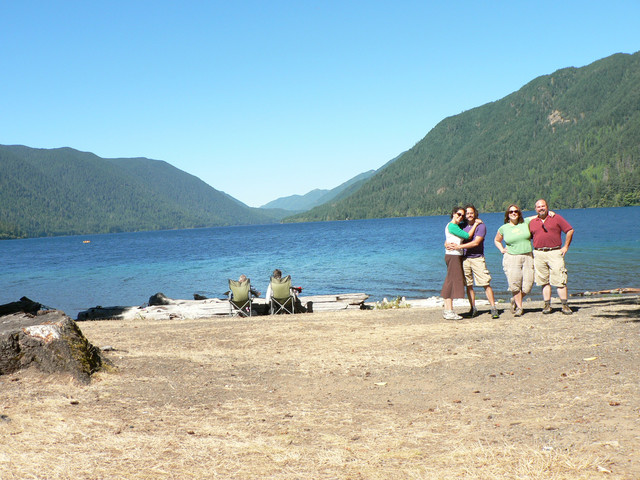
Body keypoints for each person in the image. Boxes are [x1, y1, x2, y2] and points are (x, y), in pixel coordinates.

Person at [447, 204, 499, 319]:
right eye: (467, 213)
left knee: (485, 283)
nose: (469, 215)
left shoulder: (481, 226)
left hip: (477, 258)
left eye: (471, 213)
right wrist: (446, 243)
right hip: (464, 259)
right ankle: (473, 308)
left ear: (475, 213)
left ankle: (493, 307)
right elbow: (452, 236)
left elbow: (476, 242)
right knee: (469, 285)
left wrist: (459, 247)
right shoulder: (462, 225)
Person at [528, 199, 574, 315]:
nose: (541, 208)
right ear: (535, 209)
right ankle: (547, 305)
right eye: (538, 207)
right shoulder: (532, 221)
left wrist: (565, 247)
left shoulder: (556, 218)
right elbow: (520, 222)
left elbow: (569, 230)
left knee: (560, 280)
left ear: (547, 207)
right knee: (543, 281)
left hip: (555, 252)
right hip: (538, 253)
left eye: (543, 206)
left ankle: (565, 305)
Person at [441, 206, 481, 320]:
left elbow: (450, 239)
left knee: (450, 281)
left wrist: (446, 243)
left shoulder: (454, 226)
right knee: (451, 282)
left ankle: (448, 310)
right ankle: (449, 311)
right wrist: (476, 225)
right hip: (453, 256)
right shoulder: (452, 226)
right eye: (458, 214)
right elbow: (467, 236)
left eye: (462, 215)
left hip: (454, 255)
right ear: (453, 214)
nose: (460, 217)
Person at [494, 204, 534, 317]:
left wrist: (550, 213)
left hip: (528, 256)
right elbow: (497, 240)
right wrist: (502, 249)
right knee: (515, 284)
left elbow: (537, 216)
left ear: (519, 213)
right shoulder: (504, 228)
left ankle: (514, 300)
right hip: (512, 258)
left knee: (528, 285)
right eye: (511, 212)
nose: (513, 213)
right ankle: (520, 308)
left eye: (516, 211)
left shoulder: (525, 222)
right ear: (507, 214)